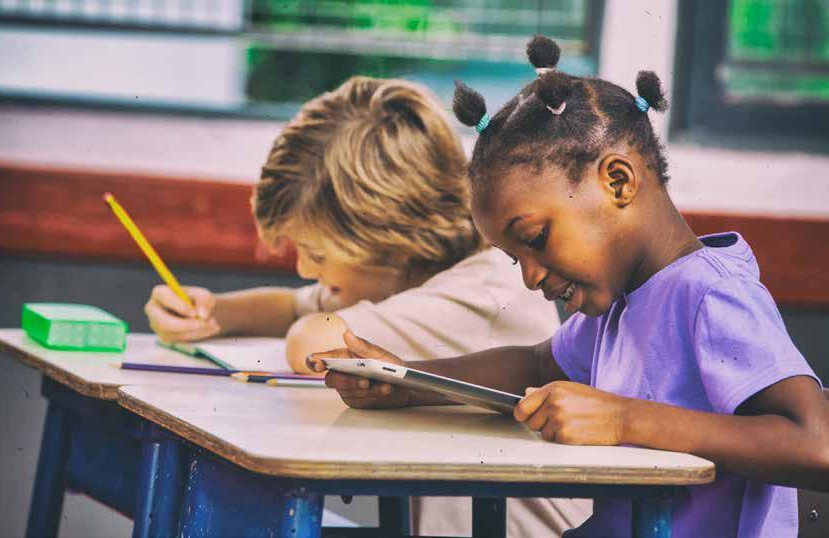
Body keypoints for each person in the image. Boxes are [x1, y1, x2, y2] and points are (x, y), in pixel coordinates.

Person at [309, 37, 829, 537]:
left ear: (618, 182)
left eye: (536, 239)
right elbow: (538, 366)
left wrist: (623, 419)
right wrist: (407, 381)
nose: (531, 276)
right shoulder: (621, 304)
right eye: (516, 259)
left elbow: (816, 444)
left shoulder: (711, 295)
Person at [144, 75, 590, 537]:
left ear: (386, 242)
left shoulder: (484, 291)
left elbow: (309, 339)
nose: (303, 268)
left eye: (317, 254)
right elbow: (293, 305)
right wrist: (211, 311)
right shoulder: (411, 277)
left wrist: (285, 320)